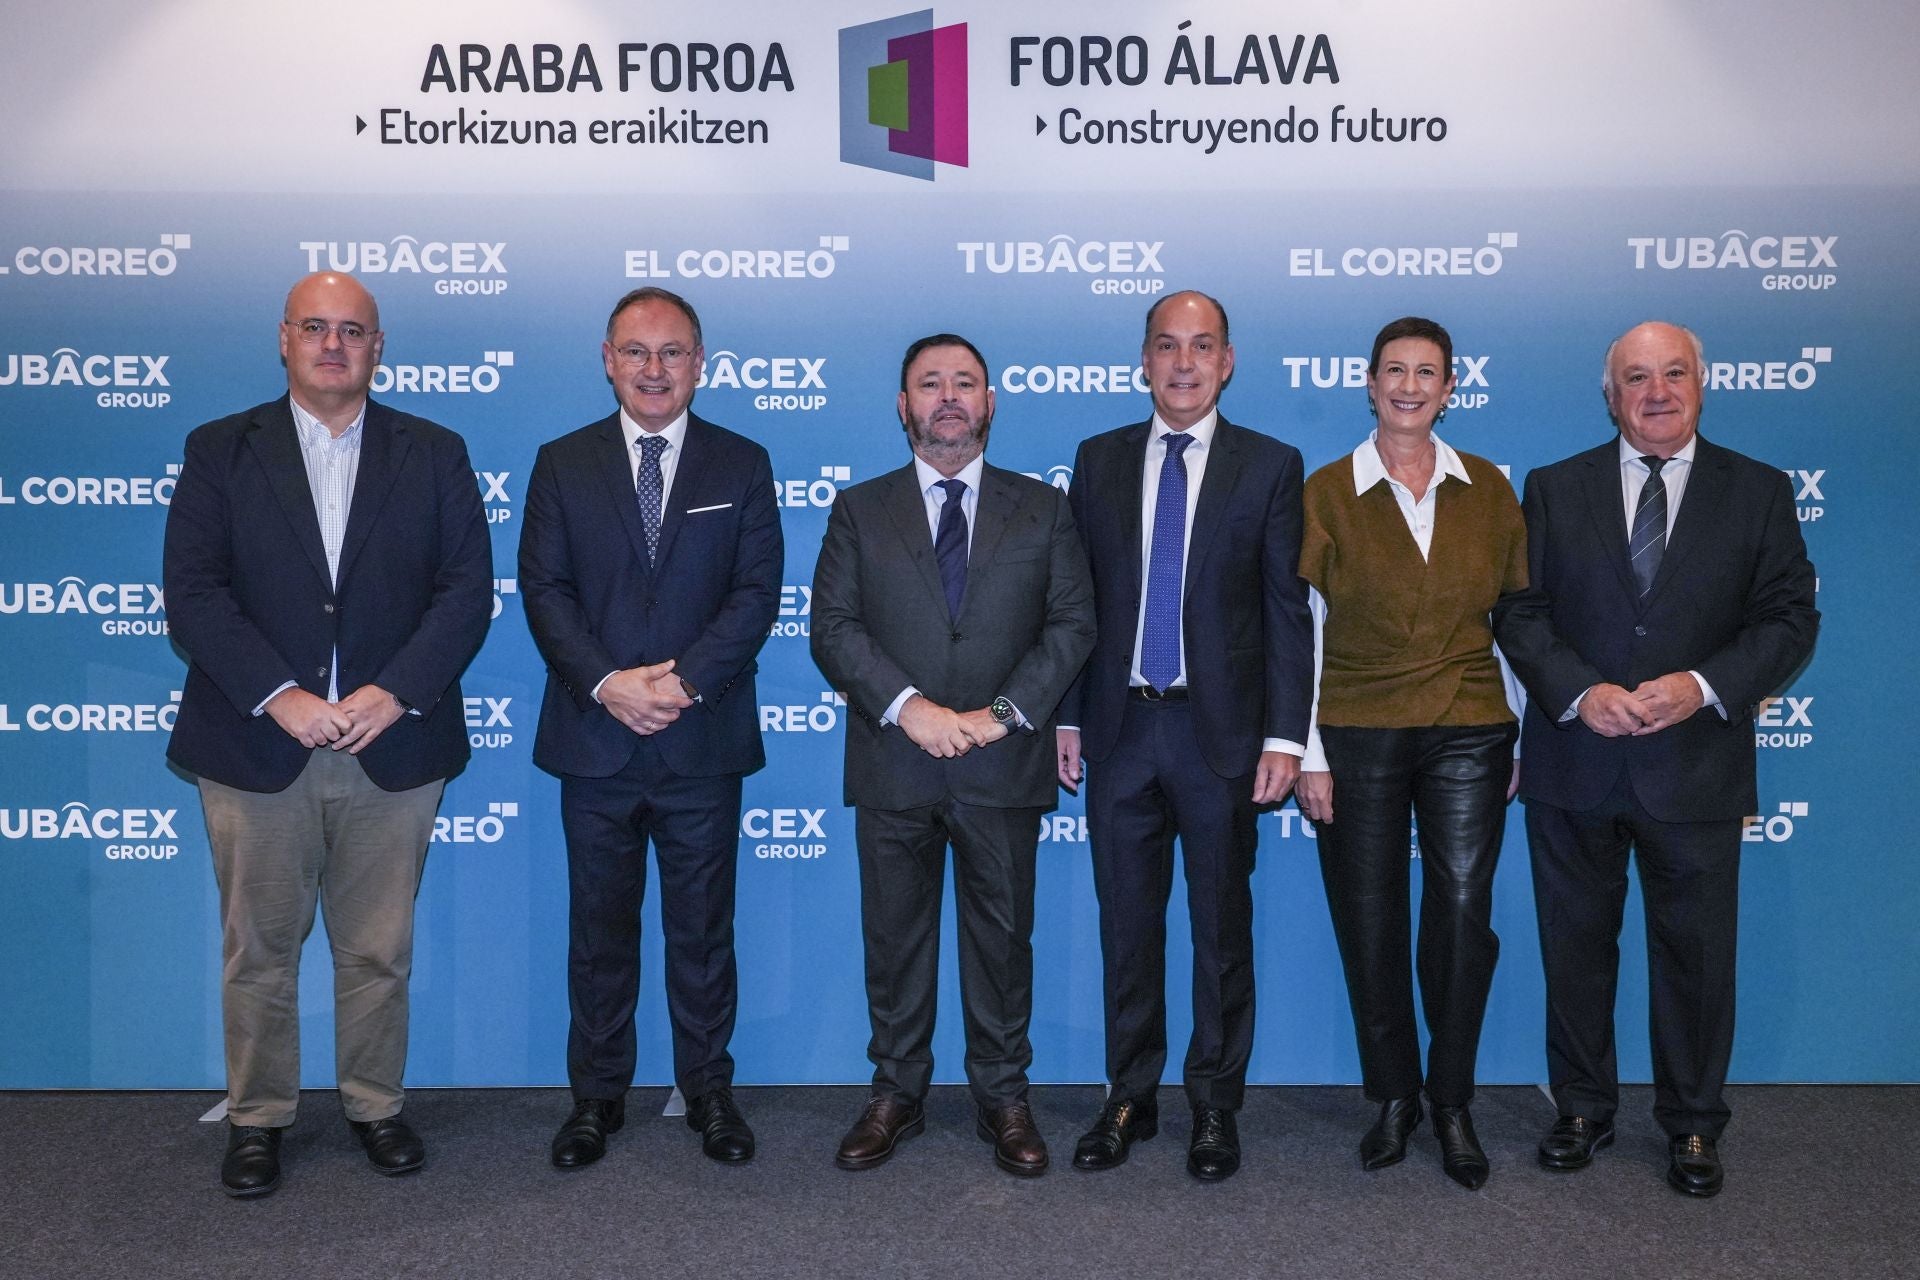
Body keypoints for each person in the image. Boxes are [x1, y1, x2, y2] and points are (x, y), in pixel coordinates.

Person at [164, 272, 493, 1198]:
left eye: (354, 330)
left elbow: (466, 592)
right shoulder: (222, 449)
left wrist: (393, 693)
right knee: (259, 950)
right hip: (257, 747)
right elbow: (193, 593)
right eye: (317, 327)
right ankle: (259, 1118)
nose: (334, 344)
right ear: (284, 339)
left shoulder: (434, 451)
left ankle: (374, 1105)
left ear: (378, 346)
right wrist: (283, 695)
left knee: (378, 948)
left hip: (393, 746)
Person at [1493, 321, 1818, 1197]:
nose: (1657, 392)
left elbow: (1790, 619)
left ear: (1701, 385)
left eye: (1674, 373)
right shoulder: (1553, 489)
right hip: (1576, 759)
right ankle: (1583, 1109)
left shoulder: (1757, 491)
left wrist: (1703, 685)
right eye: (1636, 378)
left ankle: (1694, 1124)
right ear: (1610, 395)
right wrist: (1579, 692)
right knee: (1575, 949)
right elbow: (1521, 613)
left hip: (1696, 764)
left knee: (1697, 958)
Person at [811, 333, 1094, 1177]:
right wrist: (914, 711)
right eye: (928, 384)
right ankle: (895, 1092)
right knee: (895, 941)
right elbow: (833, 631)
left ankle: (1003, 1097)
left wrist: (1001, 716)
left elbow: (1073, 625)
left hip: (1001, 763)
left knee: (1002, 944)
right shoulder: (860, 509)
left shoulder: (1042, 508)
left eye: (964, 383)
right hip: (896, 759)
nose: (947, 397)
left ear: (990, 401)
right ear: (902, 405)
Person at [519, 287, 782, 1168]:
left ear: (701, 364)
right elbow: (545, 593)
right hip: (595, 743)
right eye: (637, 352)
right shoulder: (562, 463)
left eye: (673, 353)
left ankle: (708, 1091)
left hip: (700, 741)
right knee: (599, 933)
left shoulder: (741, 464)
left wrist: (681, 685)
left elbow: (755, 596)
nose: (655, 370)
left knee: (704, 932)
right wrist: (607, 685)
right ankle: (596, 1099)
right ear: (607, 359)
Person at [1057, 290, 1313, 1182]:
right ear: (1144, 359)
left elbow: (1288, 614)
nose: (1184, 363)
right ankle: (1129, 1097)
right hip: (1121, 731)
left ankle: (1214, 1106)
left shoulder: (1272, 465)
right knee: (1127, 930)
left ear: (1228, 361)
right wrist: (1067, 712)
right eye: (1167, 346)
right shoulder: (1098, 460)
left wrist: (1288, 736)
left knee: (1219, 932)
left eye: (1202, 346)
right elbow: (1075, 603)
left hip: (1222, 742)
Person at [1293, 316, 1527, 1189]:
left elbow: (1515, 623)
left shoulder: (1492, 490)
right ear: (1369, 381)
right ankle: (1394, 1095)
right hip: (1353, 727)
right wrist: (1307, 750)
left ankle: (1453, 1100)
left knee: (1463, 909)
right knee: (1369, 915)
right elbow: (1302, 632)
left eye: (1428, 372)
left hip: (1470, 722)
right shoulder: (1325, 492)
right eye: (1395, 369)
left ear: (1450, 388)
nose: (1410, 386)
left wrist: (1522, 730)